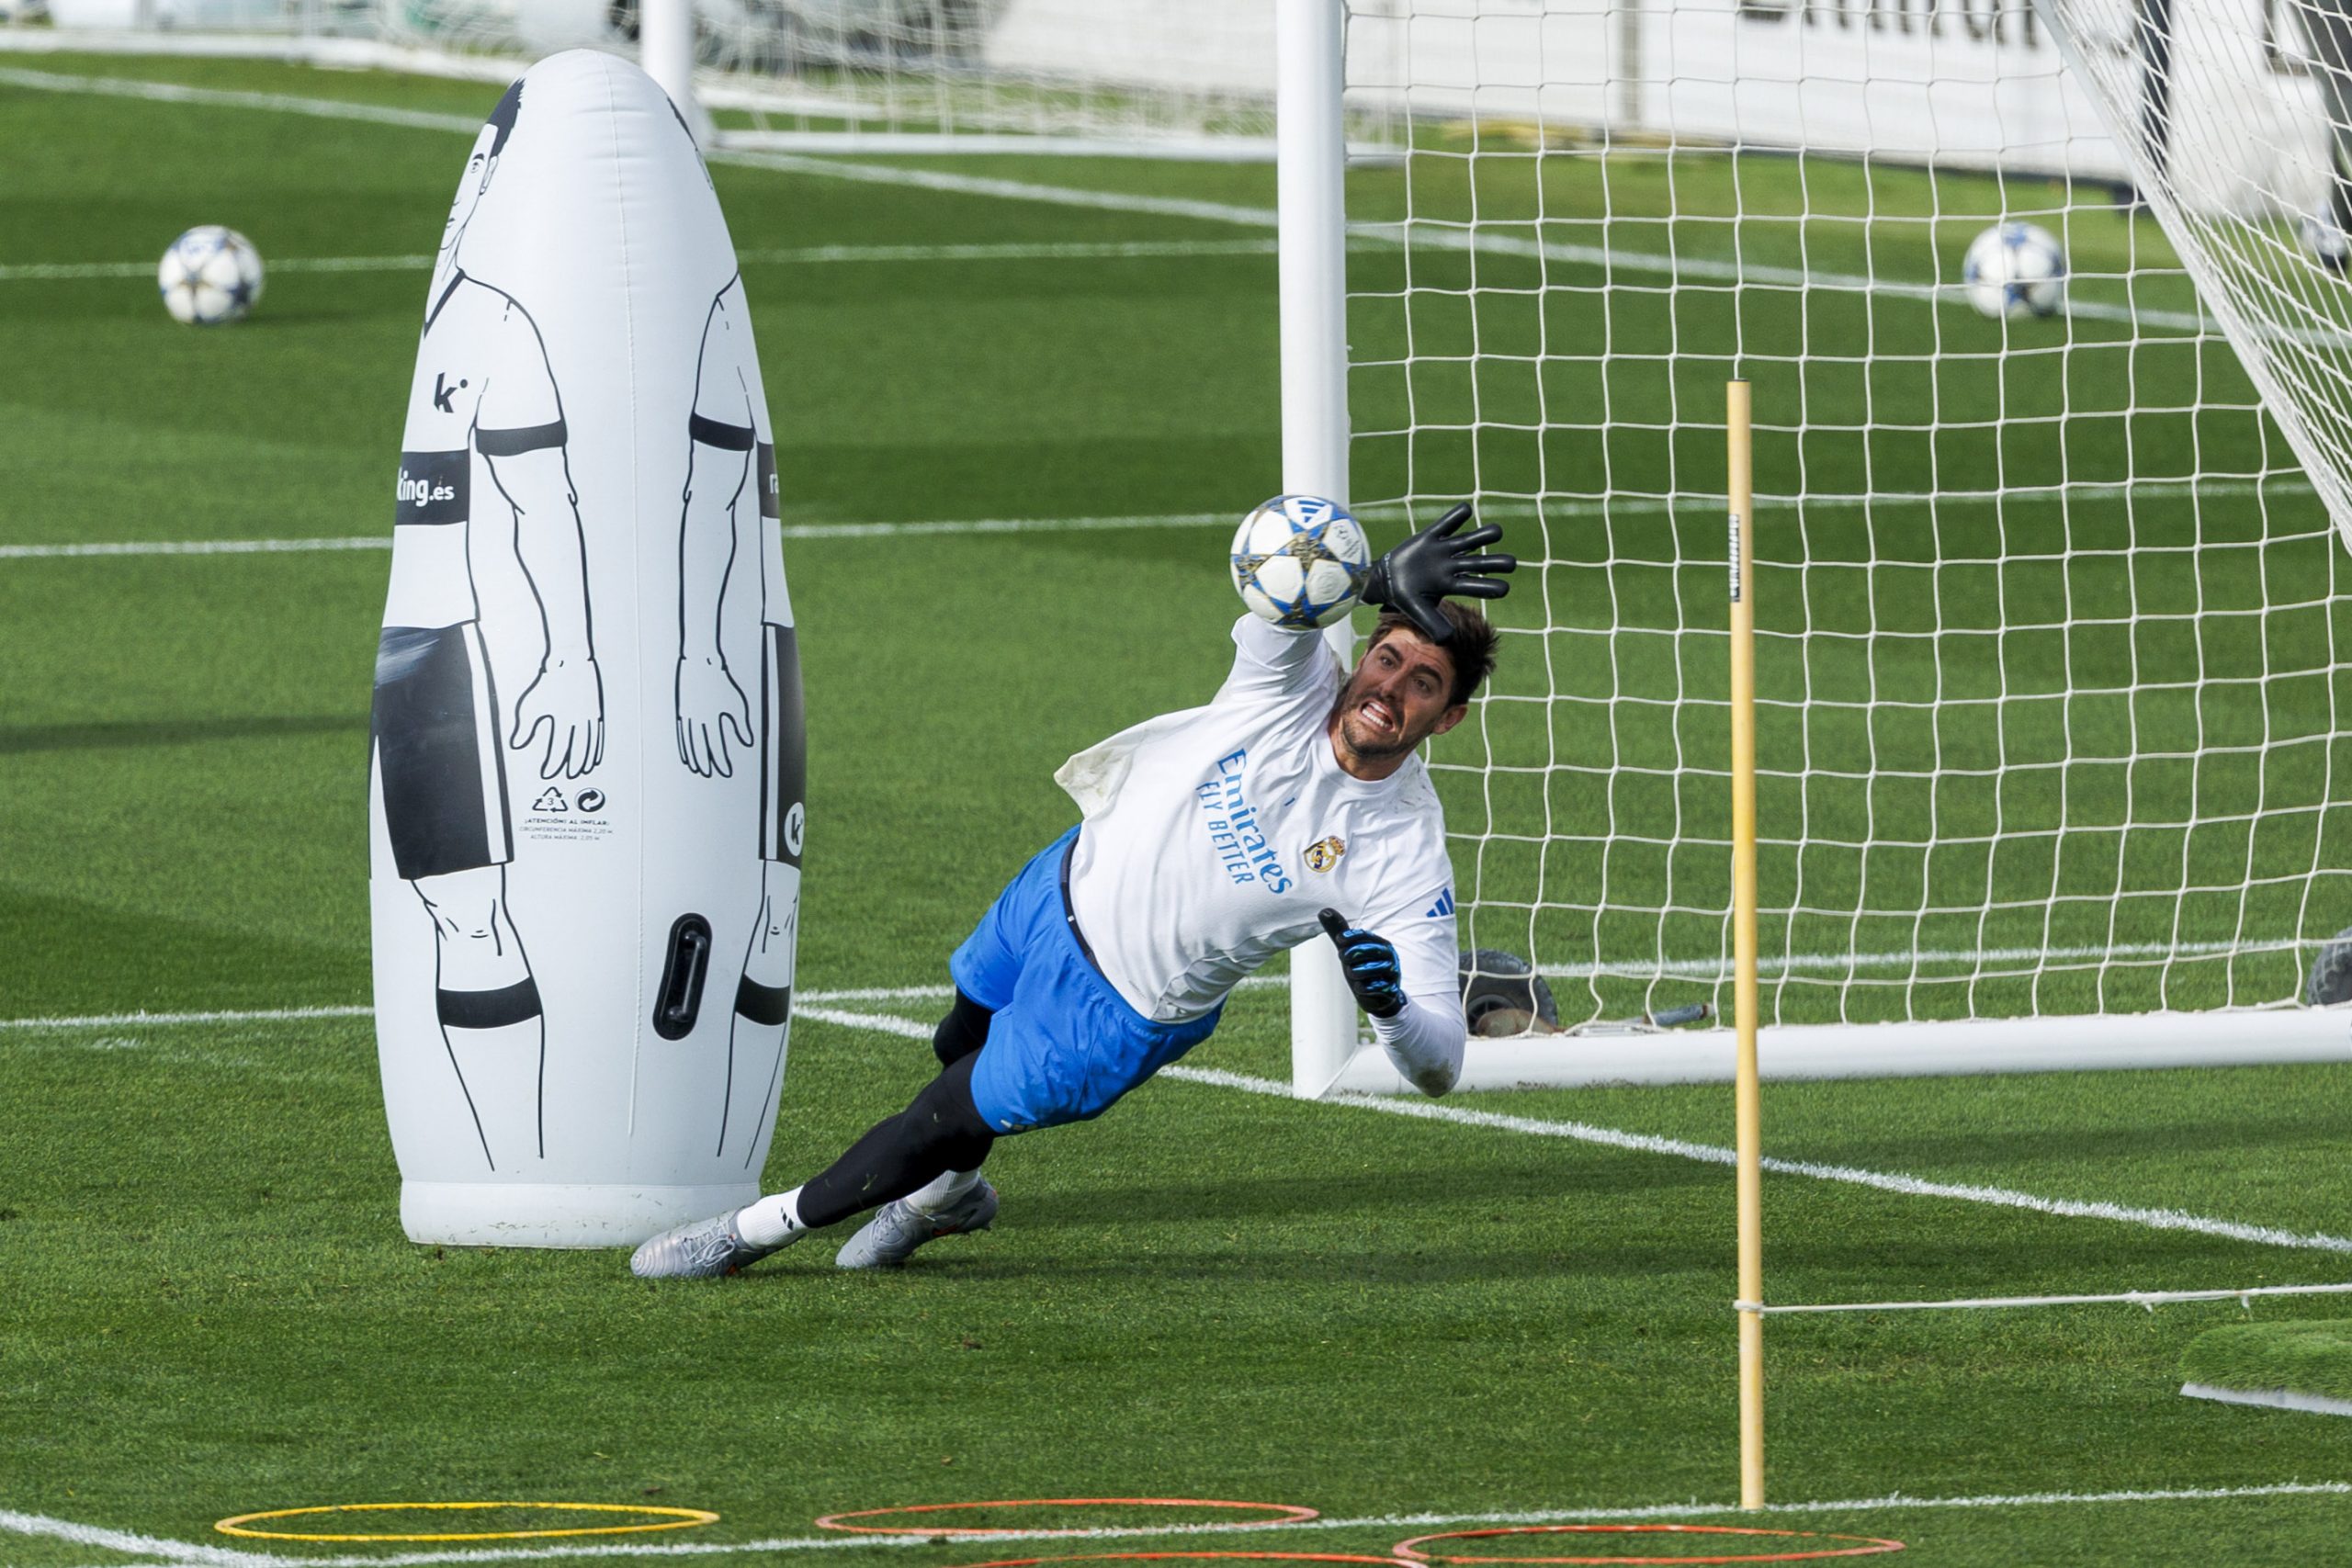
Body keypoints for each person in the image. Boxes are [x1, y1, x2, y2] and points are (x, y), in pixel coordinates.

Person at [629, 503, 1514, 1278]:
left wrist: (1391, 1006)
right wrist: (1372, 578)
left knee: (939, 1114)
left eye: (1423, 683)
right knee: (957, 1036)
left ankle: (745, 1235)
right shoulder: (1291, 684)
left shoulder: (1403, 853)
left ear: (1450, 716)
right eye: (1388, 658)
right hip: (1057, 885)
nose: (1389, 688)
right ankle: (953, 1196)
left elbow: (1440, 1064)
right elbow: (1282, 565)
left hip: (1116, 1012)